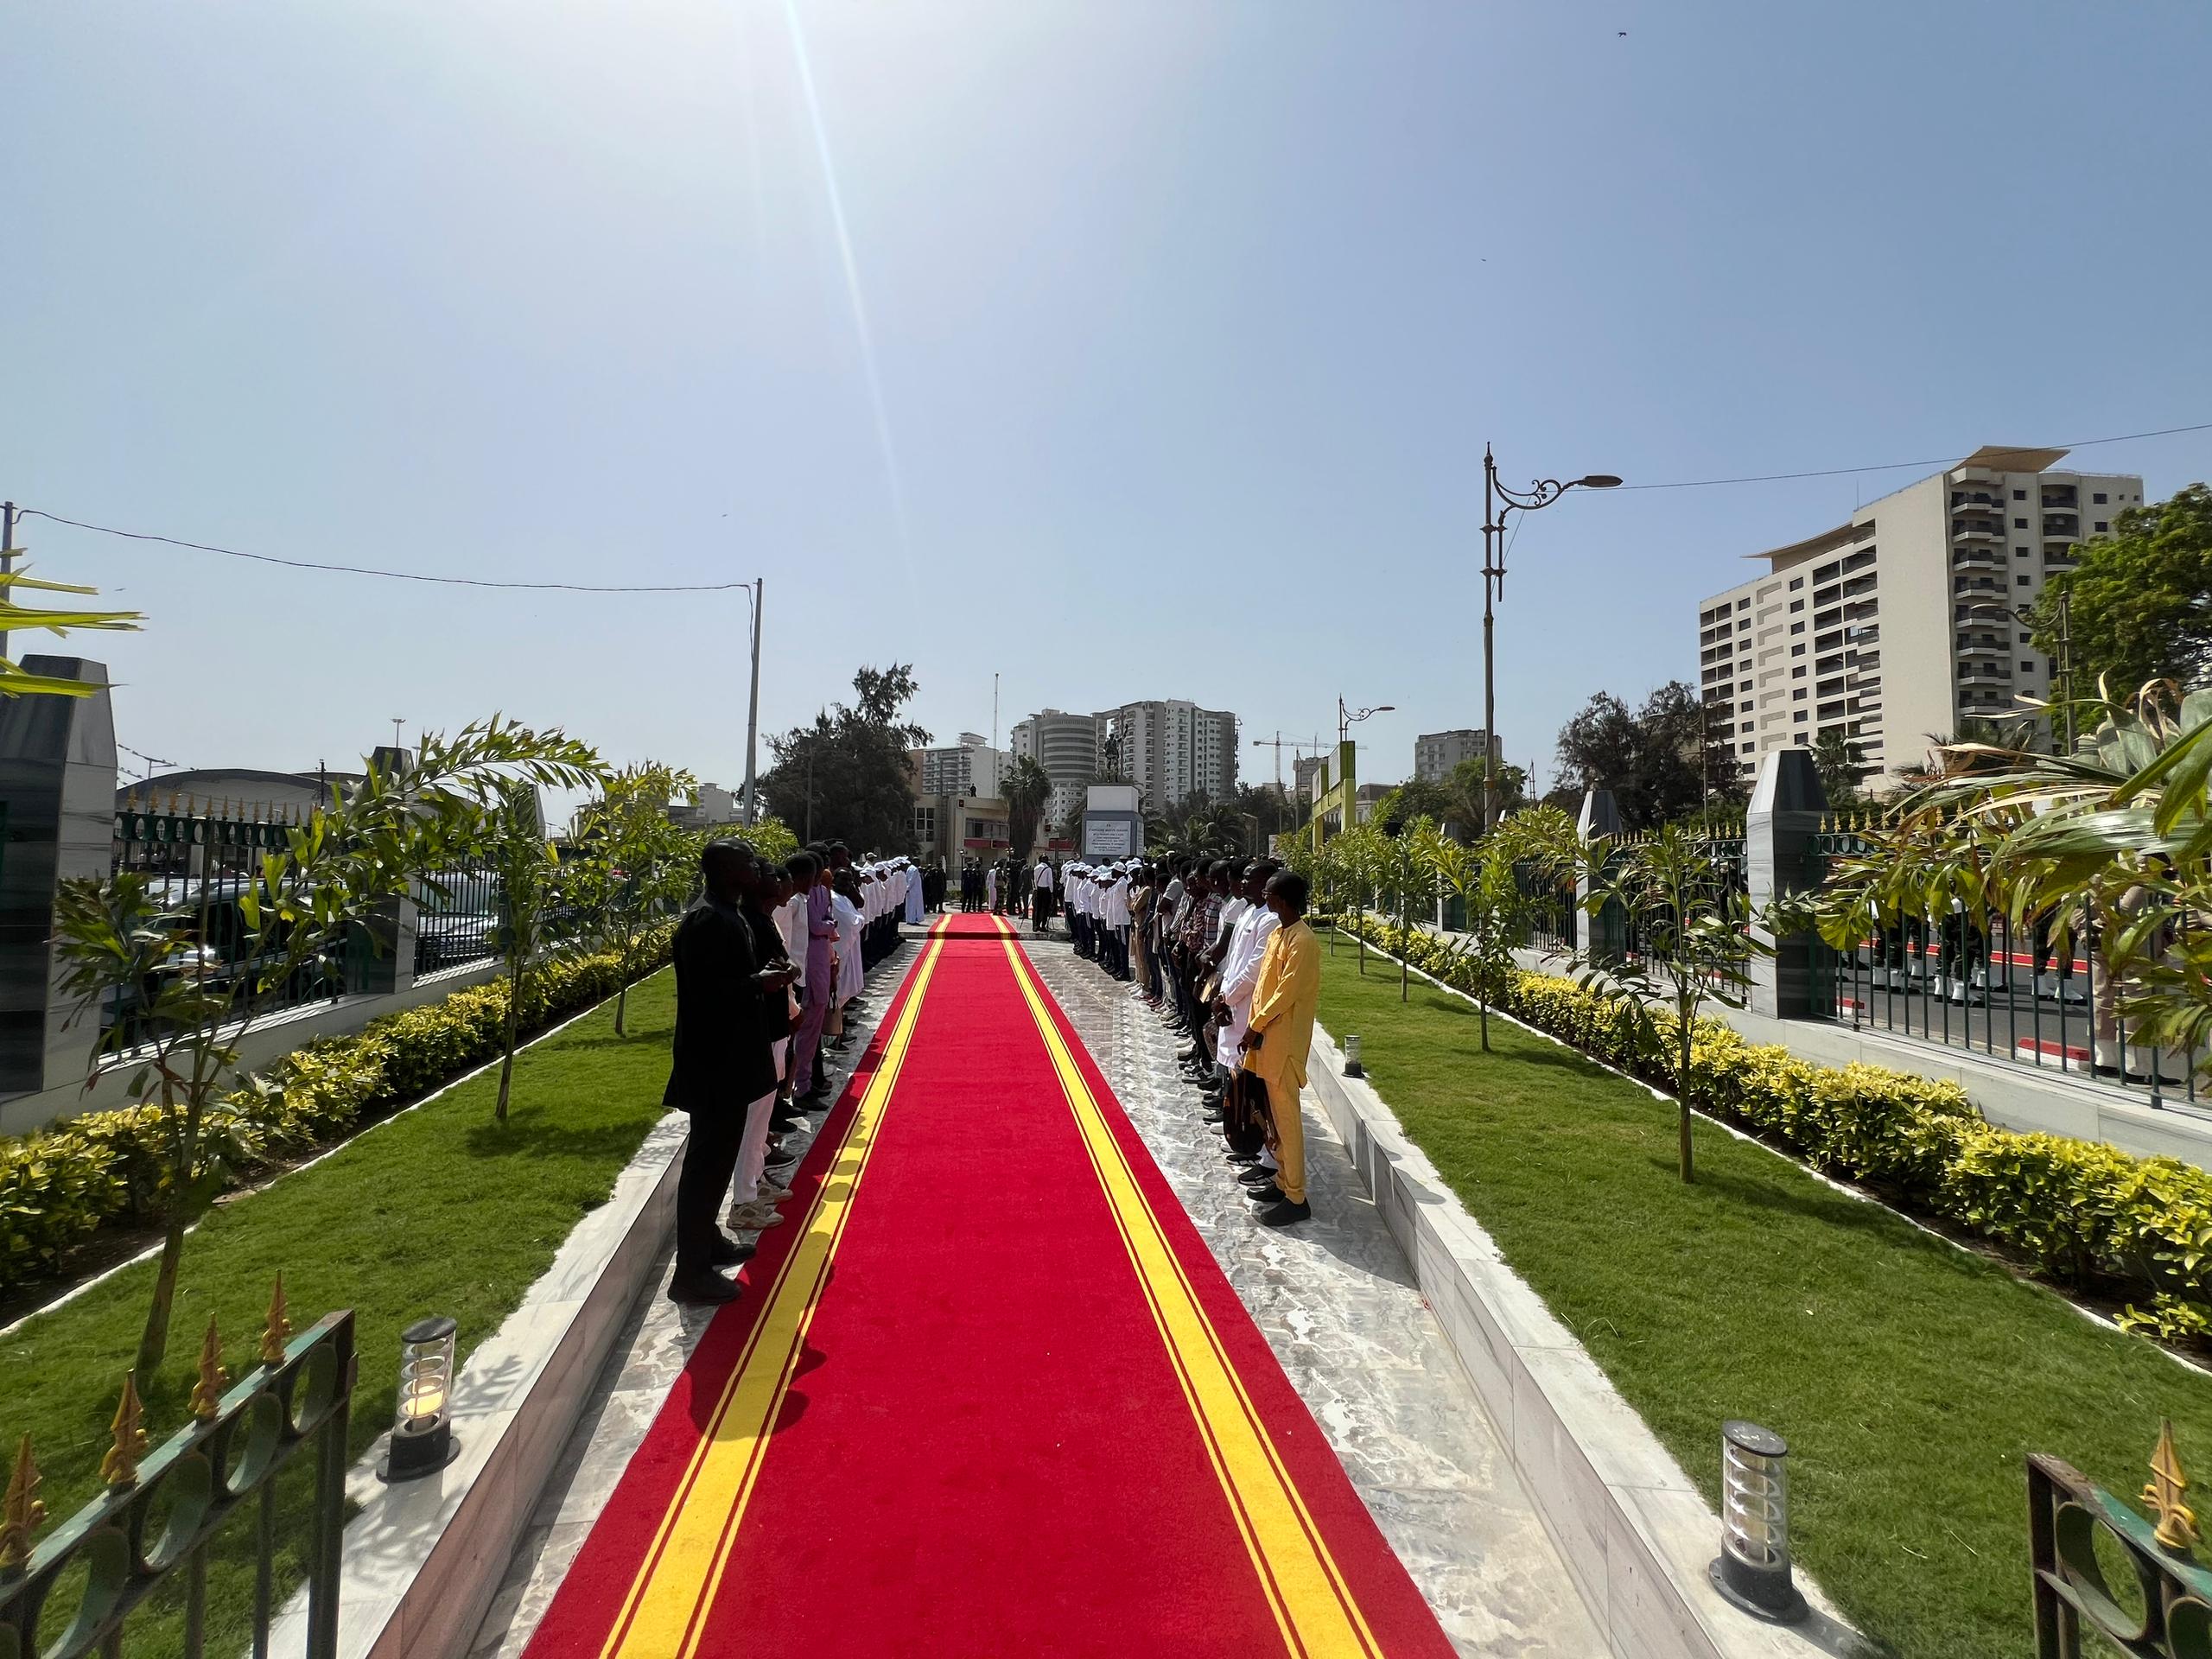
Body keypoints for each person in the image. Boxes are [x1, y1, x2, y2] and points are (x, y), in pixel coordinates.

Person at [664, 841, 794, 1303]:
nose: (754, 866)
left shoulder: (729, 913)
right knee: (706, 1164)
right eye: (745, 861)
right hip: (713, 1061)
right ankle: (690, 1272)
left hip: (731, 1057)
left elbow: (731, 977)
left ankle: (708, 1242)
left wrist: (764, 974)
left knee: (718, 1160)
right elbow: (707, 993)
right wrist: (758, 983)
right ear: (724, 870)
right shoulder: (705, 920)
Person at [1240, 871, 1320, 1226]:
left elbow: (1285, 993)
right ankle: (1282, 1179)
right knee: (1273, 1116)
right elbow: (1263, 987)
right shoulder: (1278, 933)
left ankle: (1297, 1196)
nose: (1265, 897)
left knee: (1287, 1118)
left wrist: (1256, 1026)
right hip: (1265, 1038)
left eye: (1270, 893)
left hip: (1283, 1042)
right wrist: (1253, 1025)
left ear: (1283, 899)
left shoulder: (1303, 941)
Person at [1031, 855, 1055, 934]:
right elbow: (1050, 881)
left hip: (1038, 889)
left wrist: (1036, 888)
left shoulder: (1036, 868)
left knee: (1038, 908)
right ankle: (1043, 926)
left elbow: (1034, 879)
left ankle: (1036, 925)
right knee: (1045, 908)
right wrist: (1051, 891)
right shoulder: (1048, 869)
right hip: (1046, 890)